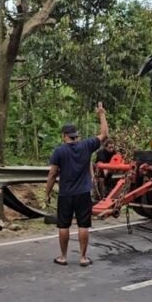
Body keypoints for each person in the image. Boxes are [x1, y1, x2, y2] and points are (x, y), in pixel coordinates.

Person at [45, 102, 108, 267]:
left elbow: (52, 174)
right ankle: (82, 257)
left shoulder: (59, 151)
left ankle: (63, 257)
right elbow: (104, 135)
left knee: (64, 225)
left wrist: (47, 192)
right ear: (76, 135)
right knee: (83, 224)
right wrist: (101, 114)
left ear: (64, 135)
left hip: (66, 194)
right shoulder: (86, 146)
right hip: (83, 193)